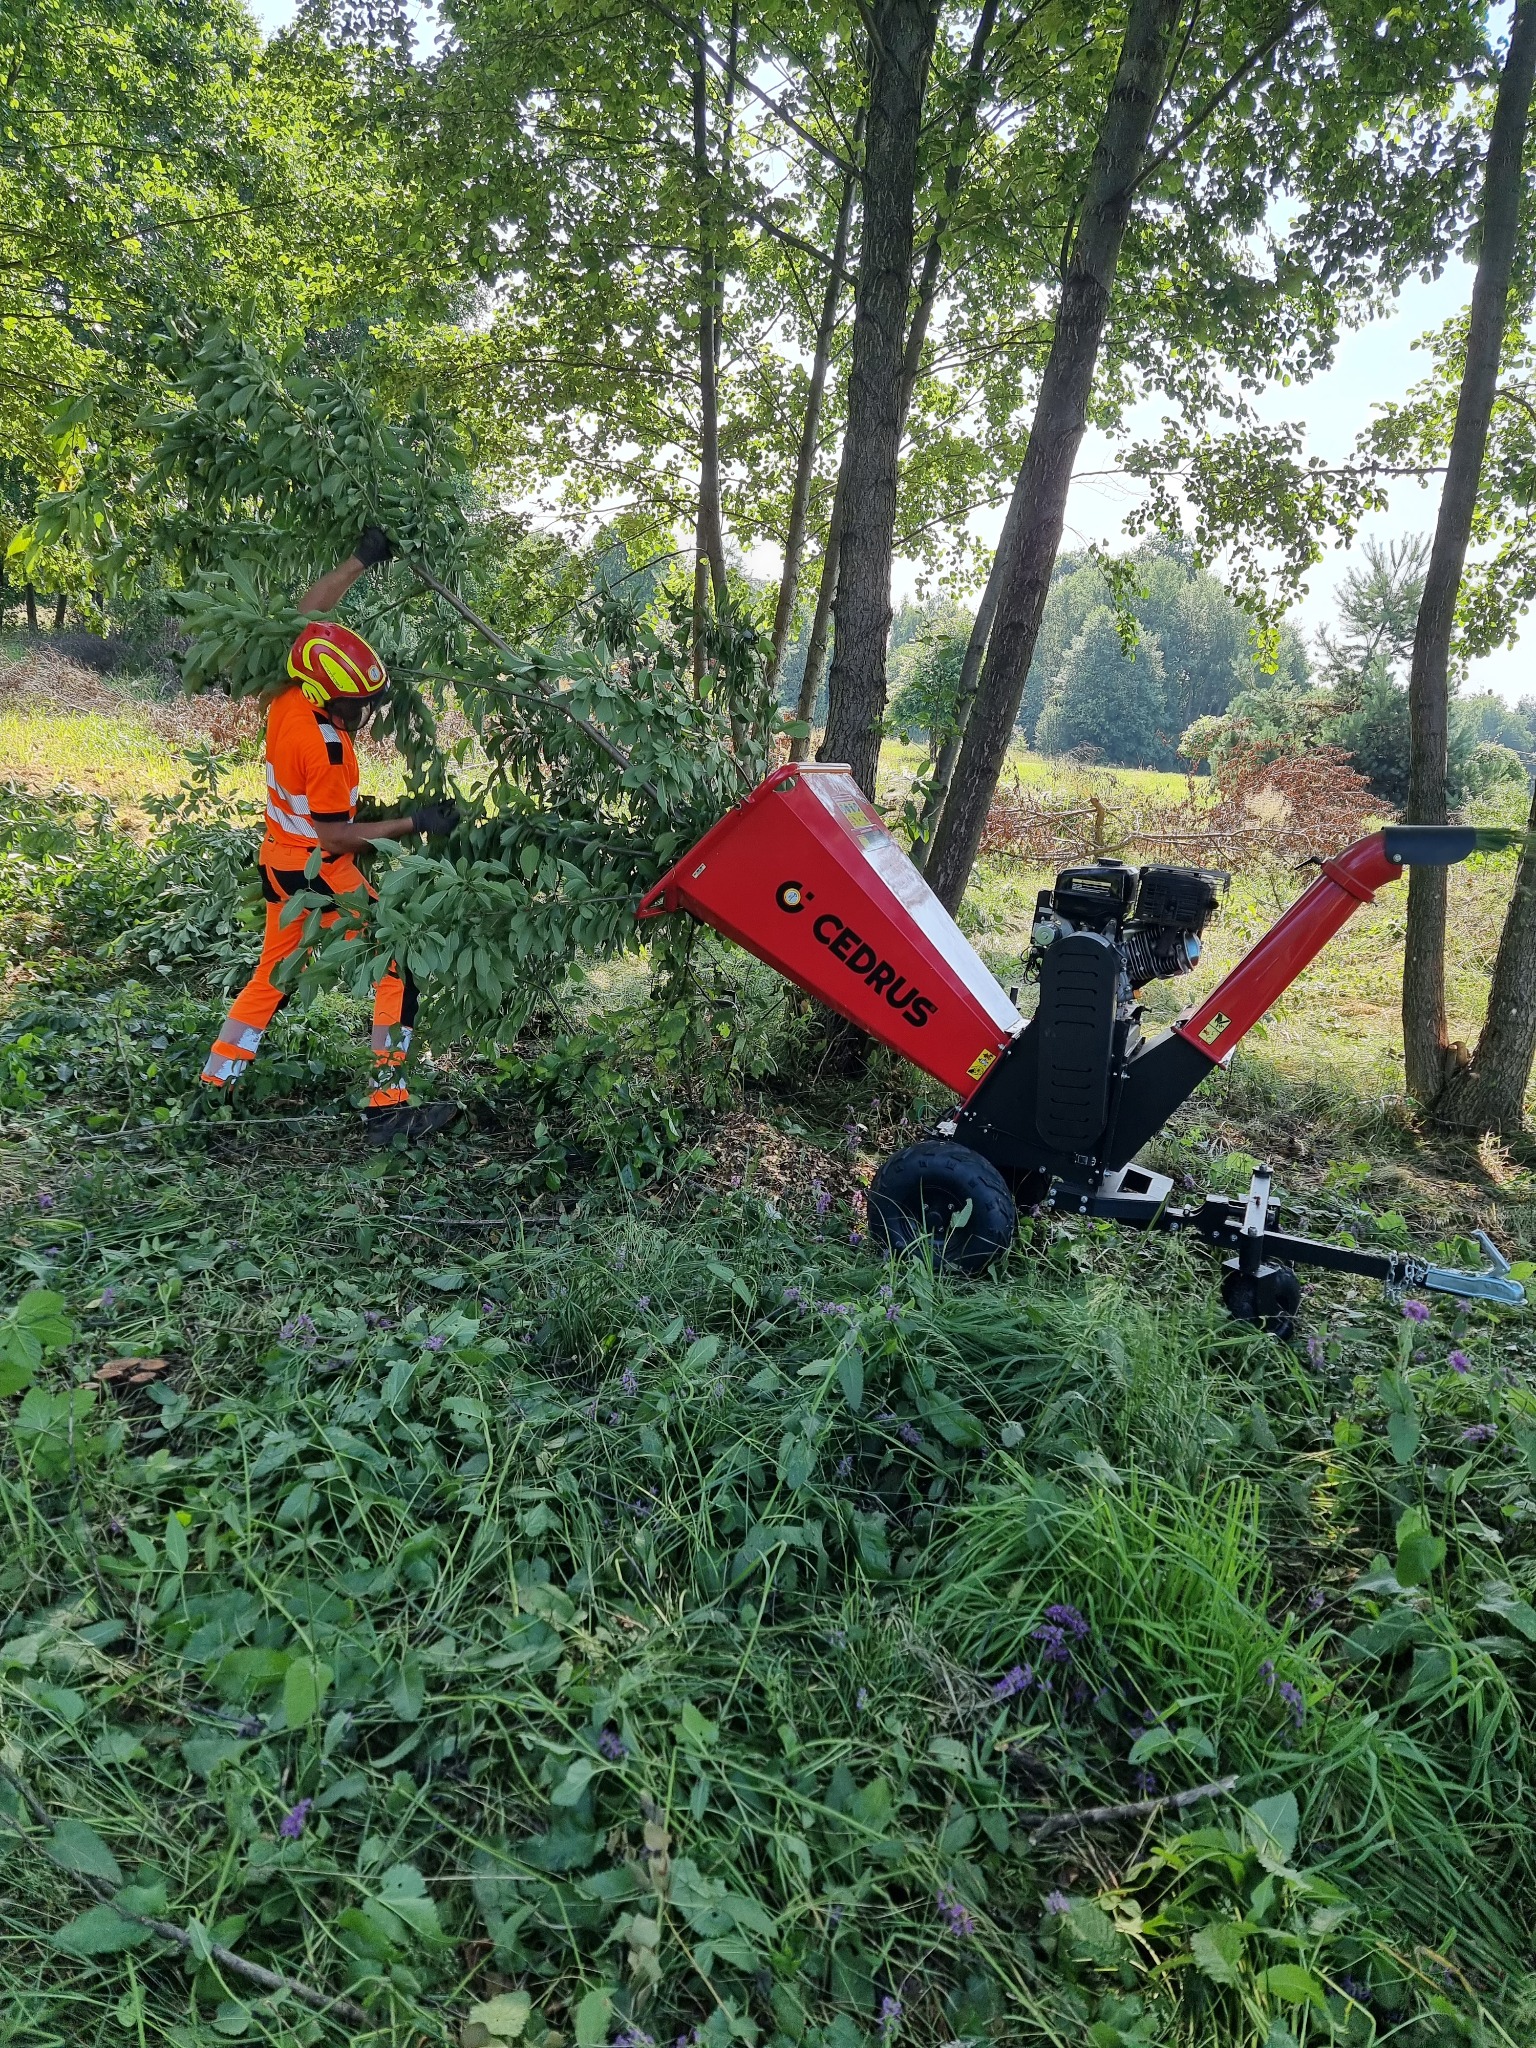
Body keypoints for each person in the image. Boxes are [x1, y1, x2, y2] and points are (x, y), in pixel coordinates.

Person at [199, 527, 460, 1143]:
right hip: (319, 869)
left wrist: (359, 561)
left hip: (277, 860)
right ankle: (387, 1103)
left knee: (272, 978)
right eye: (356, 705)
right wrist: (413, 824)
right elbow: (339, 838)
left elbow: (302, 617)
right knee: (395, 959)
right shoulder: (326, 750)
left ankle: (214, 1088)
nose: (363, 715)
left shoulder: (287, 695)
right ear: (330, 702)